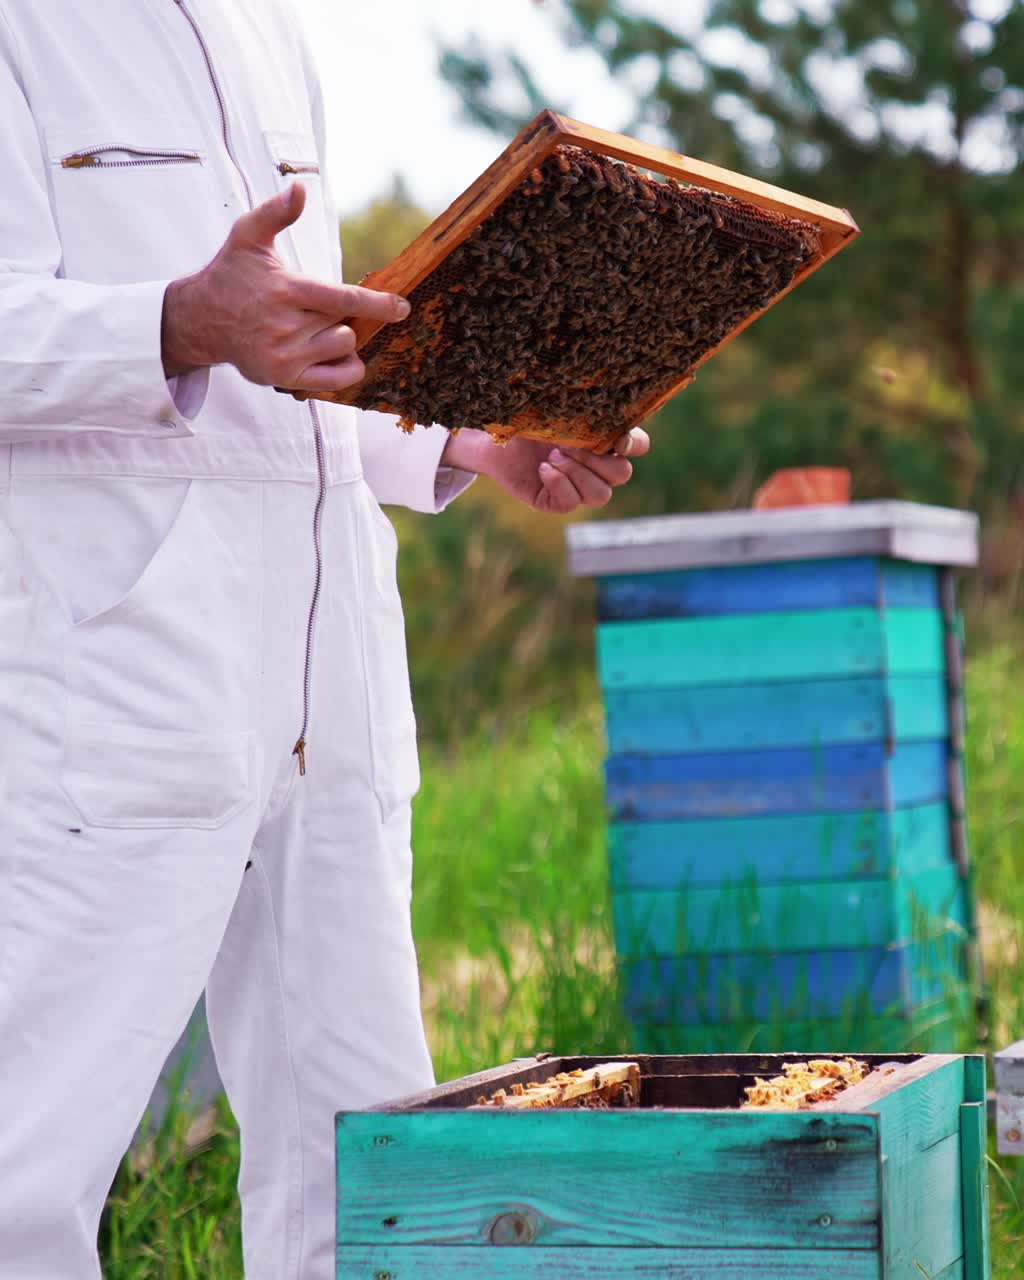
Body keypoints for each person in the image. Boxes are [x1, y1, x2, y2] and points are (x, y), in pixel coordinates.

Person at [0, 2, 648, 1275]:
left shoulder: (265, 26)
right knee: (31, 1143)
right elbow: (180, 333)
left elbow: (295, 376)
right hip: (114, 669)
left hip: (331, 669)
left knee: (363, 1145)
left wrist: (467, 433)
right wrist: (178, 320)